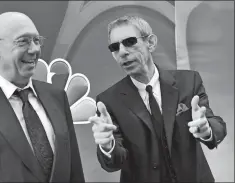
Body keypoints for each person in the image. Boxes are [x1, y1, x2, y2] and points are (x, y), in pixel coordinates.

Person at [89, 15, 227, 183]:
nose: (122, 52)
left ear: (151, 43)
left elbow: (216, 125)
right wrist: (107, 146)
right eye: (114, 47)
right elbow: (114, 162)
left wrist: (206, 130)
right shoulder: (108, 100)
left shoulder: (189, 82)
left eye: (130, 42)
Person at [0, 12, 85, 182]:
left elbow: (74, 171)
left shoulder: (57, 97)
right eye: (23, 41)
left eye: (37, 41)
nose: (35, 49)